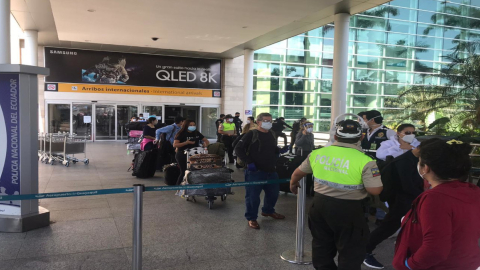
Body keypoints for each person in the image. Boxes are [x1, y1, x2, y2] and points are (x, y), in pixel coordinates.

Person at [290, 119, 383, 270]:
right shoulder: (366, 161)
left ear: (336, 136)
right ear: (361, 137)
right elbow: (375, 190)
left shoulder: (318, 153)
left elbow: (298, 173)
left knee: (321, 245)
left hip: (319, 206)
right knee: (350, 250)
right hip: (349, 210)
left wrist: (293, 184)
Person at [393, 139, 480, 270]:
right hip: (466, 262)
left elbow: (435, 249)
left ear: (426, 167)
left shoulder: (435, 199)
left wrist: (408, 265)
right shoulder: (472, 191)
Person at [364, 139, 433, 269]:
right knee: (389, 226)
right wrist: (426, 195)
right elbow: (407, 186)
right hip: (400, 199)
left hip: (408, 198)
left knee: (403, 226)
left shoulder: (413, 159)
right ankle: (365, 250)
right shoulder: (404, 162)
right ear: (421, 150)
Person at [235, 113, 284, 230]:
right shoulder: (251, 134)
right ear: (259, 122)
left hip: (271, 170)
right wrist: (249, 162)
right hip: (255, 171)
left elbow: (271, 148)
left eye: (270, 121)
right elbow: (238, 148)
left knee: (273, 193)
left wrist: (279, 150)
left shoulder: (272, 133)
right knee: (253, 197)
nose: (269, 123)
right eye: (266, 120)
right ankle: (251, 218)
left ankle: (268, 211)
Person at [173, 120, 209, 185]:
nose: (192, 126)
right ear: (186, 126)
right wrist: (186, 143)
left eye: (194, 125)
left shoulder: (196, 133)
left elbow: (206, 140)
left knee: (196, 170)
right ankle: (178, 186)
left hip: (195, 154)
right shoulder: (181, 133)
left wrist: (205, 144)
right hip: (183, 154)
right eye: (190, 125)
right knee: (184, 171)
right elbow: (175, 145)